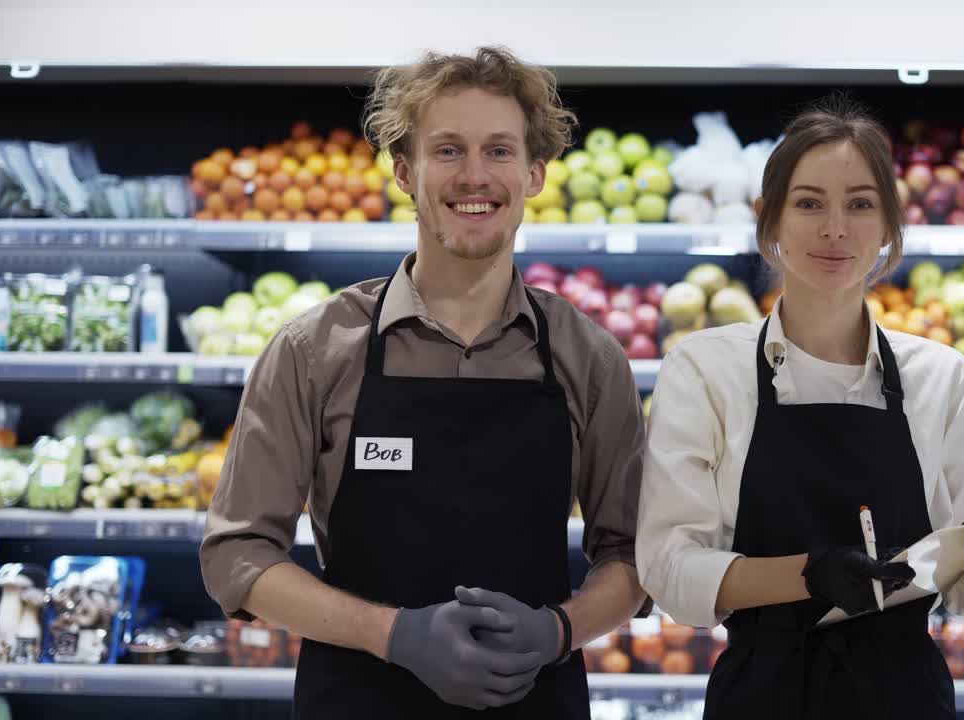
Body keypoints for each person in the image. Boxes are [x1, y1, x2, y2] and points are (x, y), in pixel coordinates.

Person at [200, 46, 649, 718]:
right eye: (448, 150)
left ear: (534, 173)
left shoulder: (588, 358)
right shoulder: (314, 351)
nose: (475, 175)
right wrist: (392, 634)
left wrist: (559, 631)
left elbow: (634, 556)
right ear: (405, 172)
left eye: (499, 151)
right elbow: (237, 555)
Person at [636, 95, 964, 719]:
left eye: (860, 204)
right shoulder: (704, 370)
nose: (835, 228)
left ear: (888, 225)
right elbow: (670, 568)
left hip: (905, 697)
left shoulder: (944, 380)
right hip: (763, 696)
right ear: (769, 221)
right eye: (808, 203)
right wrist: (808, 574)